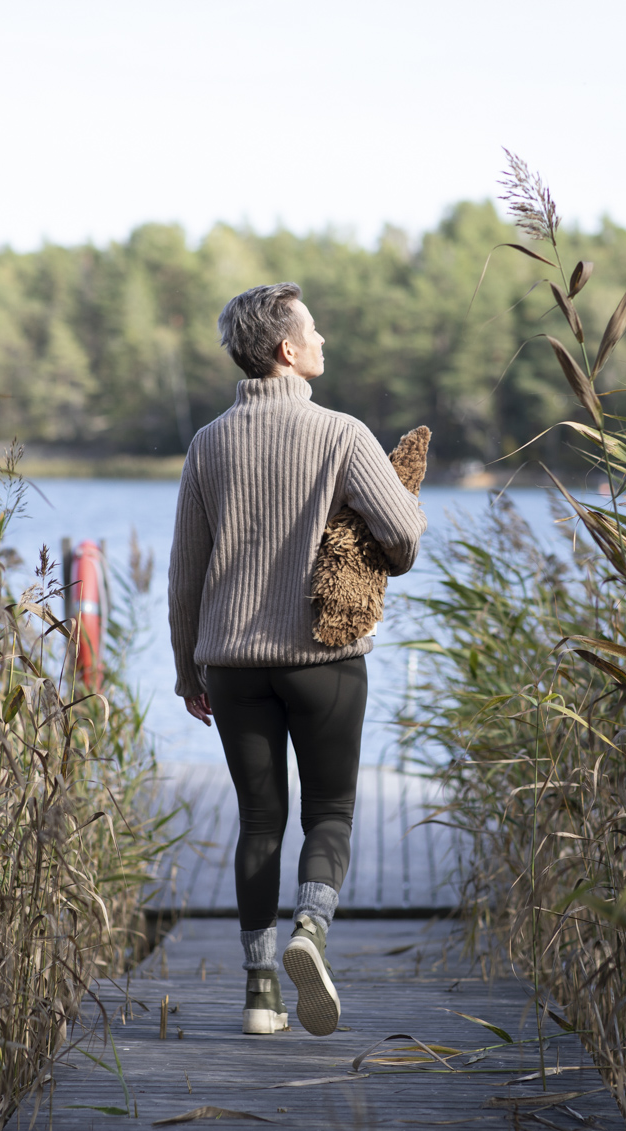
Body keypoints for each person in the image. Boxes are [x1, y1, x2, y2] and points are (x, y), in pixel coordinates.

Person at [168, 283, 425, 1036]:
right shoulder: (342, 434)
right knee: (332, 812)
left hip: (233, 663)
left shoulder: (208, 442)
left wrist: (189, 671)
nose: (324, 342)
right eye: (314, 331)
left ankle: (257, 994)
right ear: (287, 349)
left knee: (259, 821)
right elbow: (404, 539)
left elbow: (187, 572)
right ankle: (310, 934)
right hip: (324, 656)